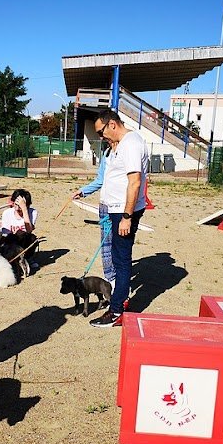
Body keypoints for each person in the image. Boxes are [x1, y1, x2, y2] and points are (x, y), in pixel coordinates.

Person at [88, 109, 149, 328]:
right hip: (115, 210)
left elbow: (135, 182)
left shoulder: (131, 143)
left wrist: (126, 217)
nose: (100, 137)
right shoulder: (120, 144)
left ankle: (116, 312)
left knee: (122, 262)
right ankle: (116, 302)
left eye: (101, 132)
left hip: (123, 212)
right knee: (117, 259)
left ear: (112, 124)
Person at [72, 139, 116, 288]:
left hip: (121, 208)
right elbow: (100, 180)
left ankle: (119, 286)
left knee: (119, 249)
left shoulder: (128, 152)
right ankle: (110, 281)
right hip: (105, 205)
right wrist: (83, 191)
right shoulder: (107, 153)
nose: (104, 138)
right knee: (106, 248)